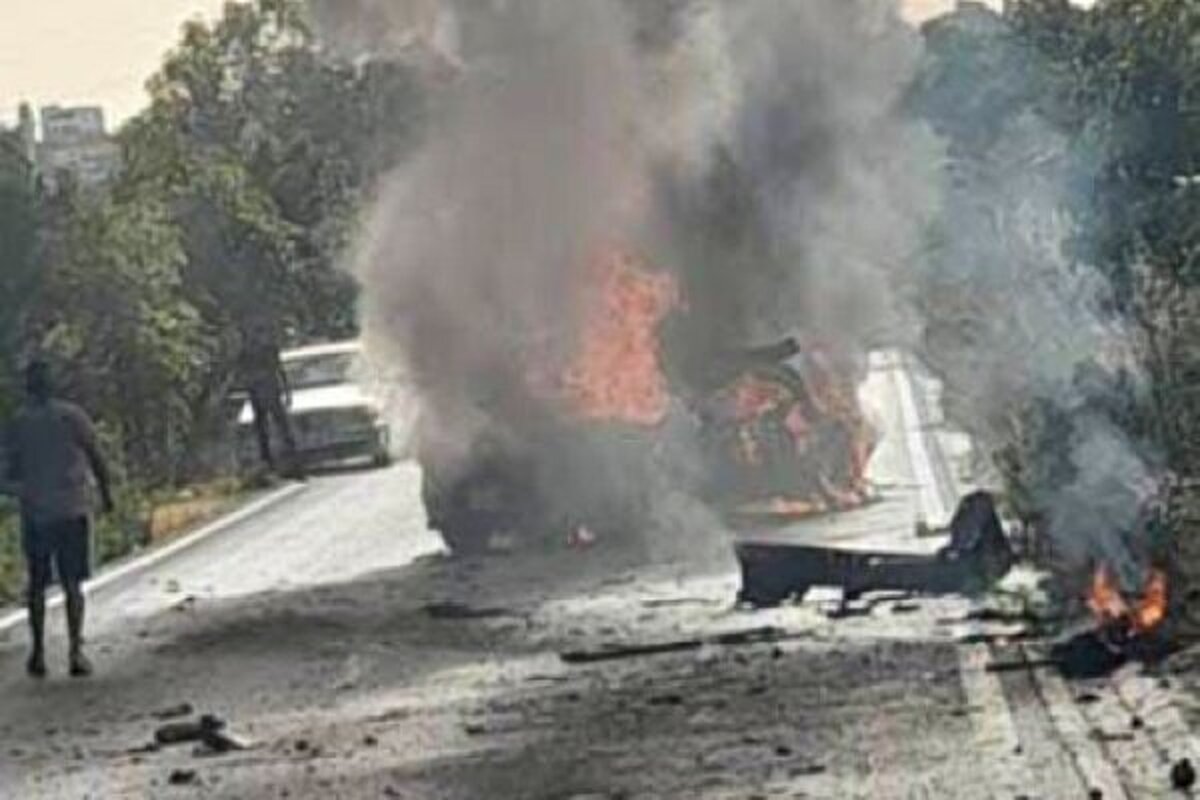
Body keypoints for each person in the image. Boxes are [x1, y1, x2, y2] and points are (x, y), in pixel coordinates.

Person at [1, 360, 113, 678]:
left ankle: (38, 652)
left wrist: (22, 490)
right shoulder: (72, 416)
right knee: (72, 583)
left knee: (37, 584)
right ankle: (76, 651)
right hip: (71, 509)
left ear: (27, 388)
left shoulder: (18, 424)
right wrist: (106, 494)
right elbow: (96, 456)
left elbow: (4, 472)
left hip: (37, 513)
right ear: (53, 384)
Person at [237, 322, 303, 479]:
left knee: (279, 425)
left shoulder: (268, 349)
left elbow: (279, 370)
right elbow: (244, 374)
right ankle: (268, 461)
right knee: (264, 427)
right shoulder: (246, 353)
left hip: (270, 390)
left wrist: (287, 391)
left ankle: (289, 460)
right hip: (259, 391)